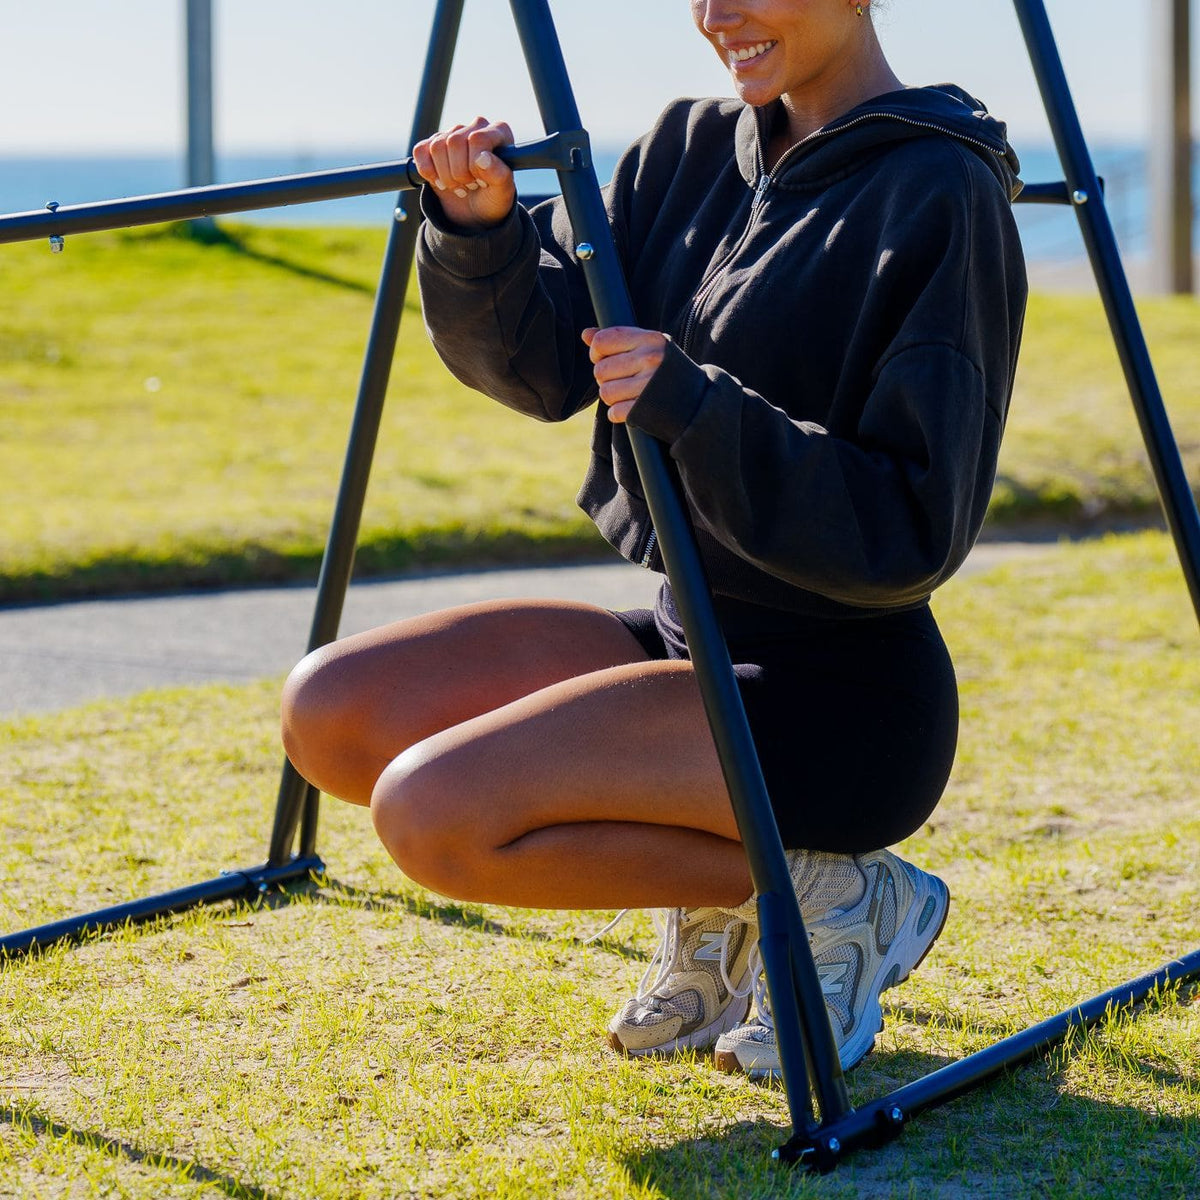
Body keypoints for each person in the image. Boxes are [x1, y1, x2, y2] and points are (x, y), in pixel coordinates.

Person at [280, 0, 1027, 1079]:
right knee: (332, 717)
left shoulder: (941, 191)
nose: (721, 15)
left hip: (843, 695)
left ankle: (829, 898)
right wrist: (481, 233)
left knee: (431, 816)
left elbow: (911, 528)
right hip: (687, 638)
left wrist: (695, 403)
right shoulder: (681, 149)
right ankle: (772, 900)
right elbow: (542, 370)